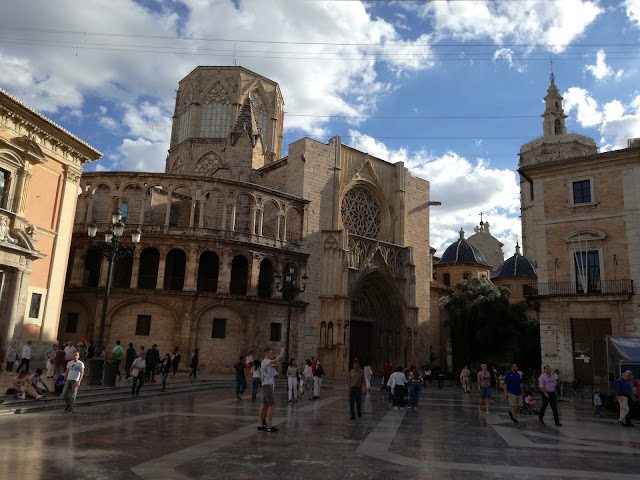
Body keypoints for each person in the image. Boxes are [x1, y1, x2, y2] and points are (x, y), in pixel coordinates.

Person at [258, 347, 285, 433]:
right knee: (272, 405)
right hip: (267, 385)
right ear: (266, 354)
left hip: (267, 385)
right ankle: (269, 426)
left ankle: (260, 424)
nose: (271, 355)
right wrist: (281, 352)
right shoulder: (265, 361)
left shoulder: (268, 364)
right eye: (270, 353)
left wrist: (276, 366)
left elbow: (277, 375)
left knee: (264, 405)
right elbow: (275, 360)